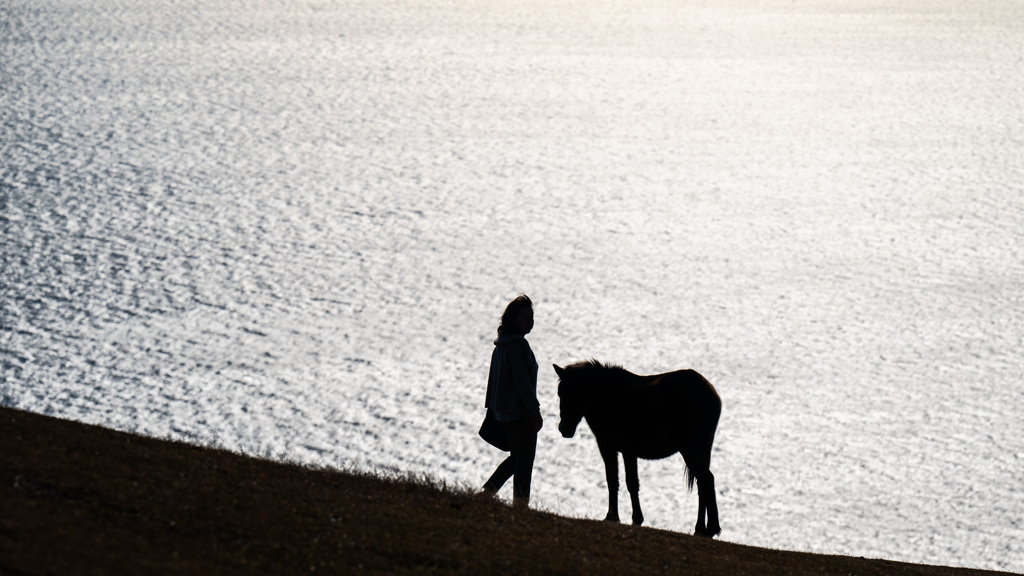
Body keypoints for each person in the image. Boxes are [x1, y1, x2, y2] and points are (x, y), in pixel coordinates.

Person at [482, 294, 543, 507]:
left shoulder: (502, 345)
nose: (530, 321)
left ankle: (488, 493)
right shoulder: (517, 346)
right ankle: (520, 505)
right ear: (513, 319)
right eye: (525, 317)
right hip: (519, 413)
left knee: (517, 458)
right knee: (524, 461)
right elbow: (521, 383)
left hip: (504, 412)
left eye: (531, 317)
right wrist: (534, 412)